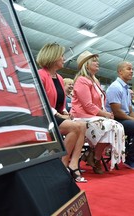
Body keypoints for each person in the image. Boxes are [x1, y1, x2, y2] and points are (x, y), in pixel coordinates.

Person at [36, 43, 87, 183]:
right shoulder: (40, 75)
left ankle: (73, 164)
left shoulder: (58, 77)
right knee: (74, 127)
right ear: (52, 57)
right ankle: (63, 164)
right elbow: (41, 101)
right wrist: (59, 115)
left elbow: (60, 102)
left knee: (82, 125)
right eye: (61, 55)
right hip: (44, 117)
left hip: (55, 116)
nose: (64, 58)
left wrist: (64, 112)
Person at [71, 51, 126, 174]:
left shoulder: (95, 80)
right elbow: (87, 105)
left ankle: (94, 156)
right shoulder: (81, 80)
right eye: (94, 61)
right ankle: (94, 157)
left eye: (97, 61)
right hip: (82, 117)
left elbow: (99, 103)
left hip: (93, 116)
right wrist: (105, 114)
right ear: (86, 64)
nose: (97, 63)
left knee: (116, 126)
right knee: (111, 126)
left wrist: (107, 113)